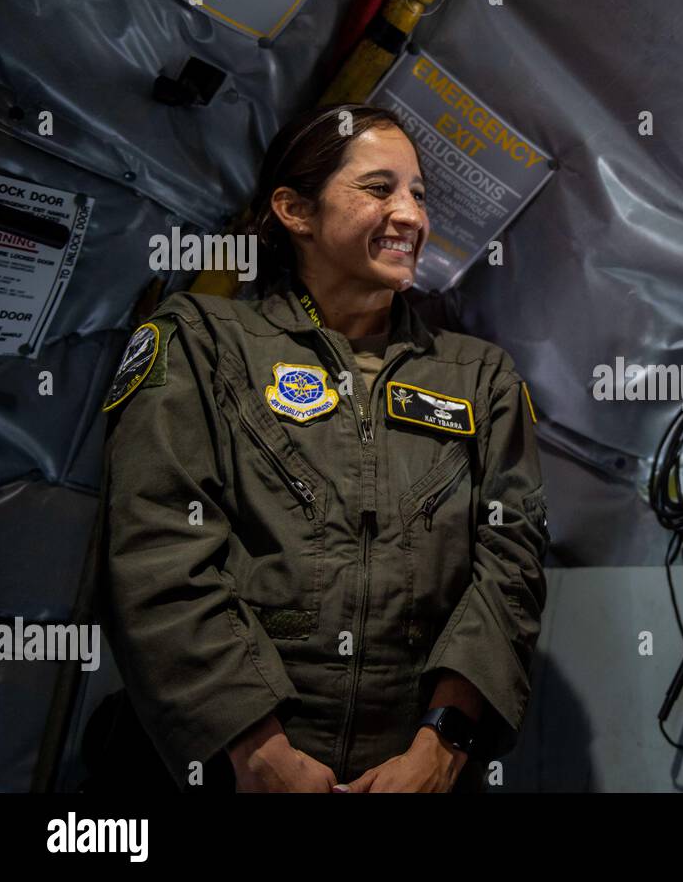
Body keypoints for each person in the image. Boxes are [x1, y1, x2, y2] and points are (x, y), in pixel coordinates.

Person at [99, 104, 548, 793]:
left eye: (419, 194)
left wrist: (441, 749)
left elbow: (510, 570)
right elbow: (157, 548)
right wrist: (255, 749)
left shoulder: (480, 377)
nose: (411, 215)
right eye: (379, 188)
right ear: (295, 210)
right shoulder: (202, 342)